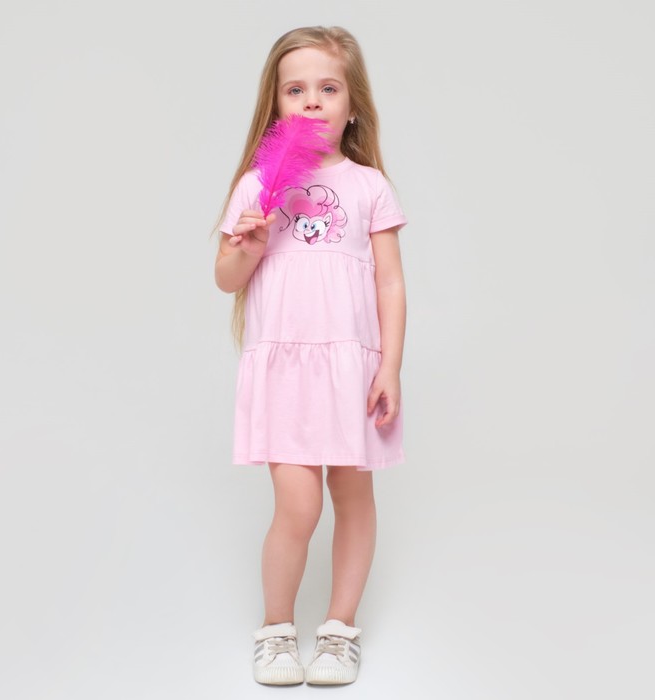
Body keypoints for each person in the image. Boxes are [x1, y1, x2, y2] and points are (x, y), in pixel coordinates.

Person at [214, 25, 407, 686]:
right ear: (276, 105)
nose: (313, 101)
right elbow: (226, 279)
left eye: (328, 88)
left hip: (352, 370)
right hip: (287, 370)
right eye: (295, 90)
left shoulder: (369, 186)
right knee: (298, 507)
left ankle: (339, 631)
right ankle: (275, 631)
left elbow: (390, 283)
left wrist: (389, 366)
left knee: (353, 497)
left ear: (353, 105)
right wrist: (248, 245)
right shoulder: (257, 186)